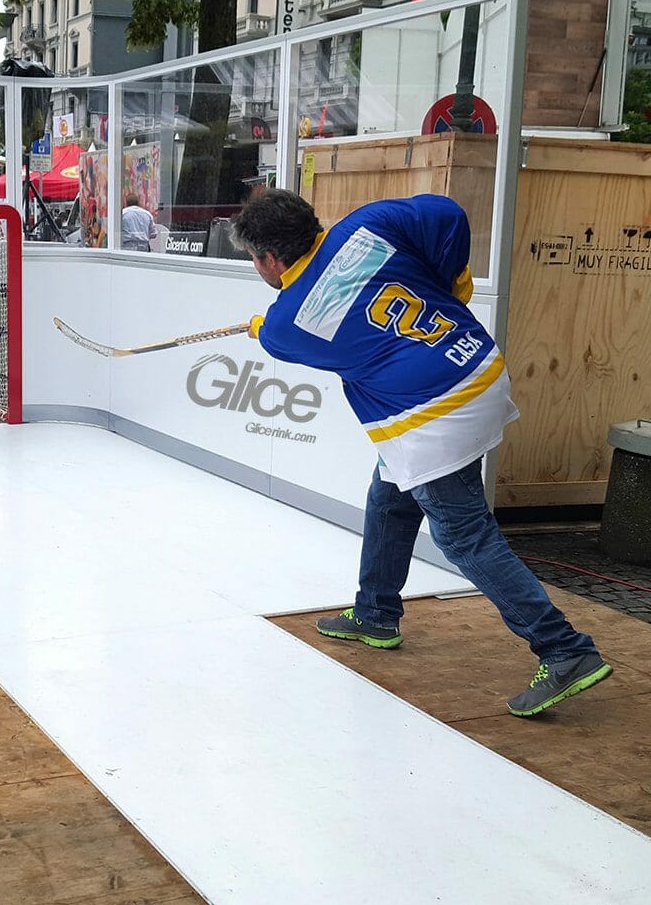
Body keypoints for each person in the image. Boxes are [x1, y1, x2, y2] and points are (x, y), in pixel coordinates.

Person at [231, 189, 610, 717]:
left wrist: (257, 327)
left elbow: (278, 332)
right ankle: (375, 613)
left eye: (254, 260)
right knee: (388, 496)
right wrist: (451, 283)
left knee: (465, 536)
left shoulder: (286, 324)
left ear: (269, 259)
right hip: (476, 364)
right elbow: (448, 213)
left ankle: (565, 651)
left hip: (436, 415)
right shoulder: (371, 222)